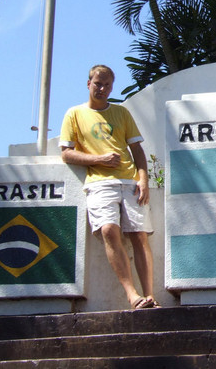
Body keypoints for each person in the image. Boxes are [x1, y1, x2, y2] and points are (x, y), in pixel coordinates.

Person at [60, 64, 158, 310]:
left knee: (139, 235)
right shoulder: (74, 114)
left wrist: (143, 179)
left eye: (106, 85)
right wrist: (99, 159)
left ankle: (149, 296)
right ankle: (132, 296)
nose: (101, 88)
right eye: (97, 83)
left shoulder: (122, 113)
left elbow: (137, 150)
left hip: (129, 182)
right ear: (88, 83)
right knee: (108, 230)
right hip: (99, 184)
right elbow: (67, 154)